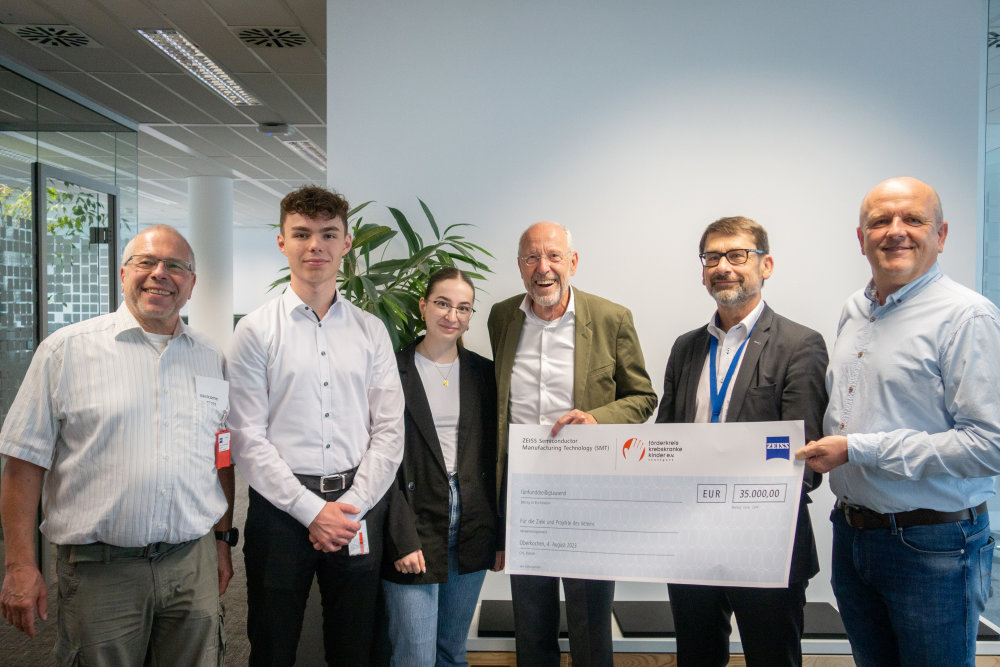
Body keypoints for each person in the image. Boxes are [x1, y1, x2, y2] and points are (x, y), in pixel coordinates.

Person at [0, 225, 235, 665]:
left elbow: (221, 454)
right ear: (123, 272)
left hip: (192, 564)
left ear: (192, 283)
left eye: (176, 266)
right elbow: (22, 466)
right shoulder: (65, 352)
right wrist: (18, 566)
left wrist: (223, 541)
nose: (160, 274)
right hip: (100, 571)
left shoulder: (210, 356)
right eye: (147, 262)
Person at [796, 177, 1000, 666]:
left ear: (942, 234)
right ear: (861, 237)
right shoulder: (855, 309)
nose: (895, 231)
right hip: (853, 535)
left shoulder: (967, 317)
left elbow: (989, 445)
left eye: (912, 219)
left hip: (934, 547)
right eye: (880, 221)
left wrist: (858, 449)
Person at [227, 185, 405, 666]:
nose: (315, 246)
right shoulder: (255, 331)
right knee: (273, 643)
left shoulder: (371, 331)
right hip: (280, 512)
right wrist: (311, 511)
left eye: (328, 234)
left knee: (355, 646)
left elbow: (389, 431)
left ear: (347, 244)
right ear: (282, 242)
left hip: (356, 507)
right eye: (301, 234)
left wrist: (347, 508)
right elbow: (247, 438)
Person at [655, 216, 828, 666]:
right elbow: (665, 440)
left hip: (766, 539)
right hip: (689, 536)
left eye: (737, 255)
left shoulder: (799, 344)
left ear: (765, 265)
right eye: (712, 257)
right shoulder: (685, 347)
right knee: (696, 657)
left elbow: (806, 458)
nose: (723, 266)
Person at [488, 221, 657, 667]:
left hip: (589, 493)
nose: (543, 268)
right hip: (524, 493)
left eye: (554, 256)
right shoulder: (501, 317)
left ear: (573, 263)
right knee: (530, 618)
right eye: (531, 257)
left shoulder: (610, 318)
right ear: (520, 266)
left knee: (589, 621)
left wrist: (597, 418)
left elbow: (643, 397)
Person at [381, 267, 502, 666]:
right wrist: (401, 537)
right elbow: (379, 460)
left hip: (471, 525)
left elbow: (493, 457)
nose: (452, 316)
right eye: (443, 304)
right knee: (414, 655)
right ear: (423, 306)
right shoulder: (390, 371)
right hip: (414, 524)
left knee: (452, 651)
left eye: (463, 308)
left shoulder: (485, 373)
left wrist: (498, 536)